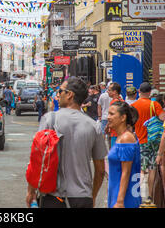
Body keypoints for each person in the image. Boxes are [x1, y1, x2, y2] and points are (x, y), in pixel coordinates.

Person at [25, 77, 107, 208]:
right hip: (83, 198)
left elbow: (37, 159)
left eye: (60, 91)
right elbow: (101, 169)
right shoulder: (93, 126)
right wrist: (93, 196)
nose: (58, 95)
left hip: (54, 197)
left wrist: (31, 191)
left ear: (70, 95)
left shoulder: (50, 119)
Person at [131, 82, 165, 203]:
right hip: (153, 140)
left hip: (139, 140)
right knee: (152, 168)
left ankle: (138, 193)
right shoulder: (154, 104)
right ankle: (150, 195)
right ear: (150, 92)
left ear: (139, 91)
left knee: (140, 168)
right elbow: (163, 118)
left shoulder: (134, 105)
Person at [107, 101, 142, 208]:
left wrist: (120, 201)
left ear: (123, 118)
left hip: (125, 197)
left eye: (112, 114)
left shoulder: (126, 139)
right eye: (108, 113)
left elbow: (126, 172)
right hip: (117, 193)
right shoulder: (121, 137)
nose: (108, 117)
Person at [107, 82, 124, 148]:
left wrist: (108, 125)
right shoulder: (122, 101)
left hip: (115, 132)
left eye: (109, 90)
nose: (107, 91)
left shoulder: (114, 102)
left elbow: (112, 117)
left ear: (114, 92)